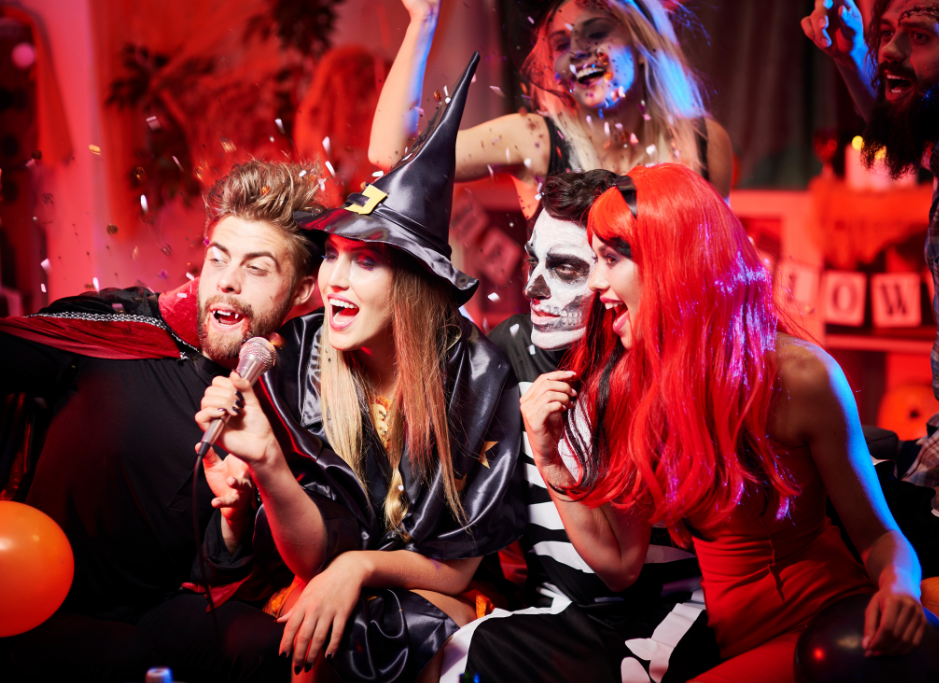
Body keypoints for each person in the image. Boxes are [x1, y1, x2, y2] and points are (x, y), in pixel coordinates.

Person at [521, 164, 927, 682]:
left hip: (827, 629)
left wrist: (900, 589)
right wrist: (549, 455)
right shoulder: (634, 382)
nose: (597, 282)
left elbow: (877, 537)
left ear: (670, 262)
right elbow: (620, 563)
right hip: (734, 648)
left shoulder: (799, 375)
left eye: (611, 258)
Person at [206, 53, 524, 683]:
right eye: (334, 255)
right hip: (323, 580)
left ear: (413, 282)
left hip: (441, 594)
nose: (336, 280)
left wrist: (359, 569)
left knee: (385, 633)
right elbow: (314, 553)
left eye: (367, 261)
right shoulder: (297, 360)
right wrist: (268, 468)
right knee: (309, 638)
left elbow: (458, 568)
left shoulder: (478, 374)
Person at [0, 161, 366, 682]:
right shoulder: (120, 328)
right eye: (218, 259)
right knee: (124, 656)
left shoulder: (287, 404)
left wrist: (235, 520)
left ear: (304, 288)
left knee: (271, 647)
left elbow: (217, 572)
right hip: (35, 599)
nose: (229, 282)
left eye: (257, 269)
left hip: (156, 607)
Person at [433, 170, 717, 683]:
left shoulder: (641, 367)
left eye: (565, 267)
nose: (535, 285)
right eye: (533, 260)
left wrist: (550, 454)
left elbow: (621, 569)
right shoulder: (507, 350)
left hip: (653, 623)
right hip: (551, 613)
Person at [802, 0, 939, 525]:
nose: (887, 51)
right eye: (887, 33)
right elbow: (898, 132)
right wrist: (847, 59)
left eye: (917, 37)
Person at [369, 0, 734, 219]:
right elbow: (392, 154)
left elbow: (719, 271)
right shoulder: (537, 140)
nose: (577, 51)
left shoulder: (702, 143)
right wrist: (424, 19)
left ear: (641, 40)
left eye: (595, 33)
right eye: (562, 43)